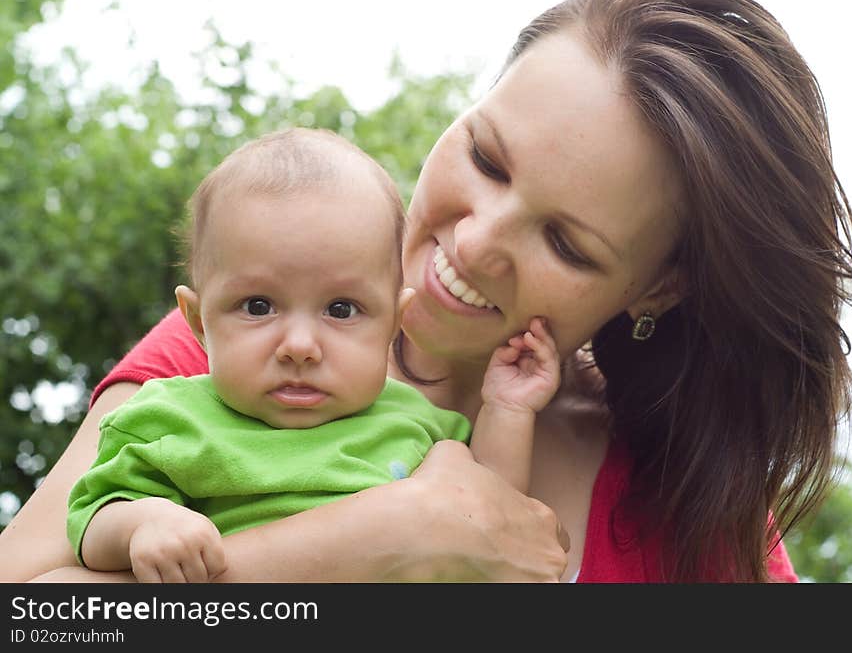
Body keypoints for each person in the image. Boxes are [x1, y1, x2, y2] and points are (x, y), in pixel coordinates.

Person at [1, 0, 852, 582]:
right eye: (486, 157)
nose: (476, 238)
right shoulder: (246, 345)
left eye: (566, 242)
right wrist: (383, 539)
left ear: (658, 289)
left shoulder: (686, 503)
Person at [63, 127, 561, 582]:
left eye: (341, 309)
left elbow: (494, 517)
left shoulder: (418, 423)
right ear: (198, 322)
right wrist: (143, 524)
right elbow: (90, 517)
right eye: (258, 306)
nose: (299, 346)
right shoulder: (168, 418)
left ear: (393, 321)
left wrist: (508, 410)